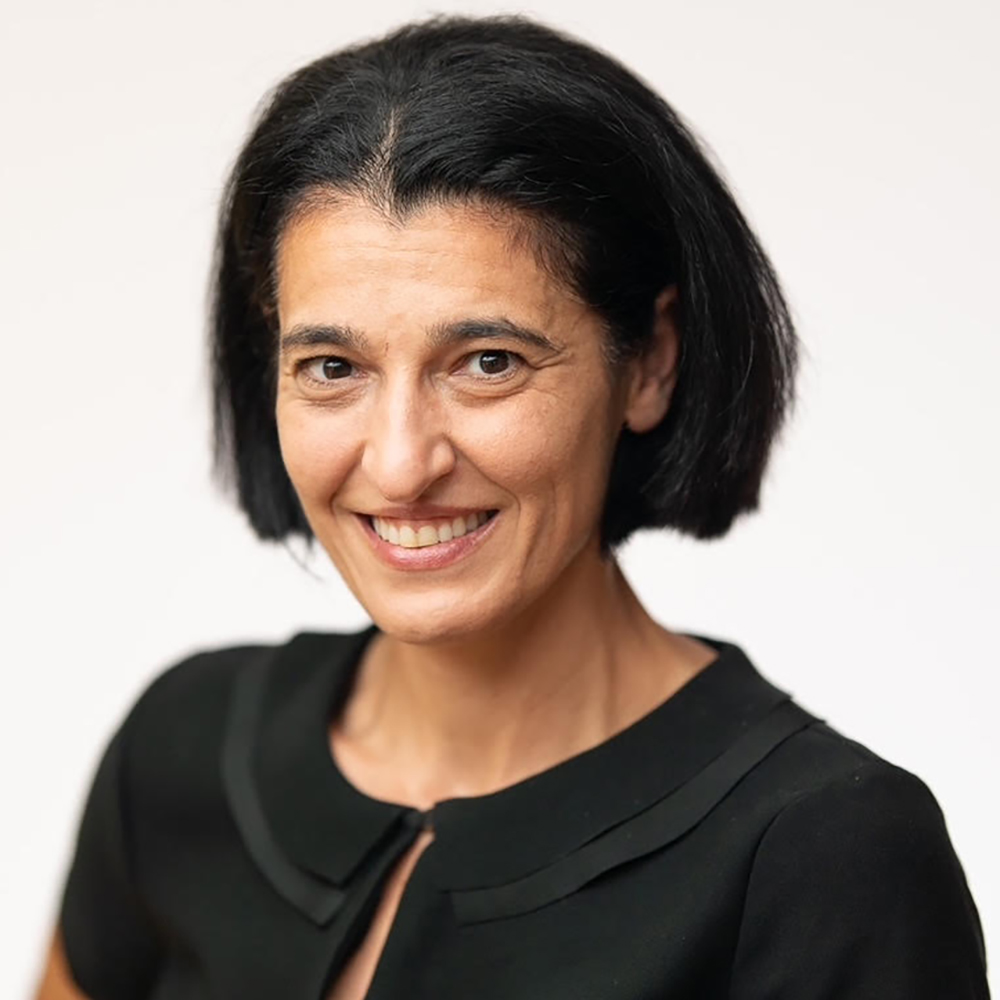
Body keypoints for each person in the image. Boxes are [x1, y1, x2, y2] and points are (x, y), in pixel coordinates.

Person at [35, 13, 989, 1000]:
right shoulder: (182, 752)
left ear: (649, 361)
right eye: (332, 366)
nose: (401, 463)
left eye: (487, 363)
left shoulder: (826, 855)